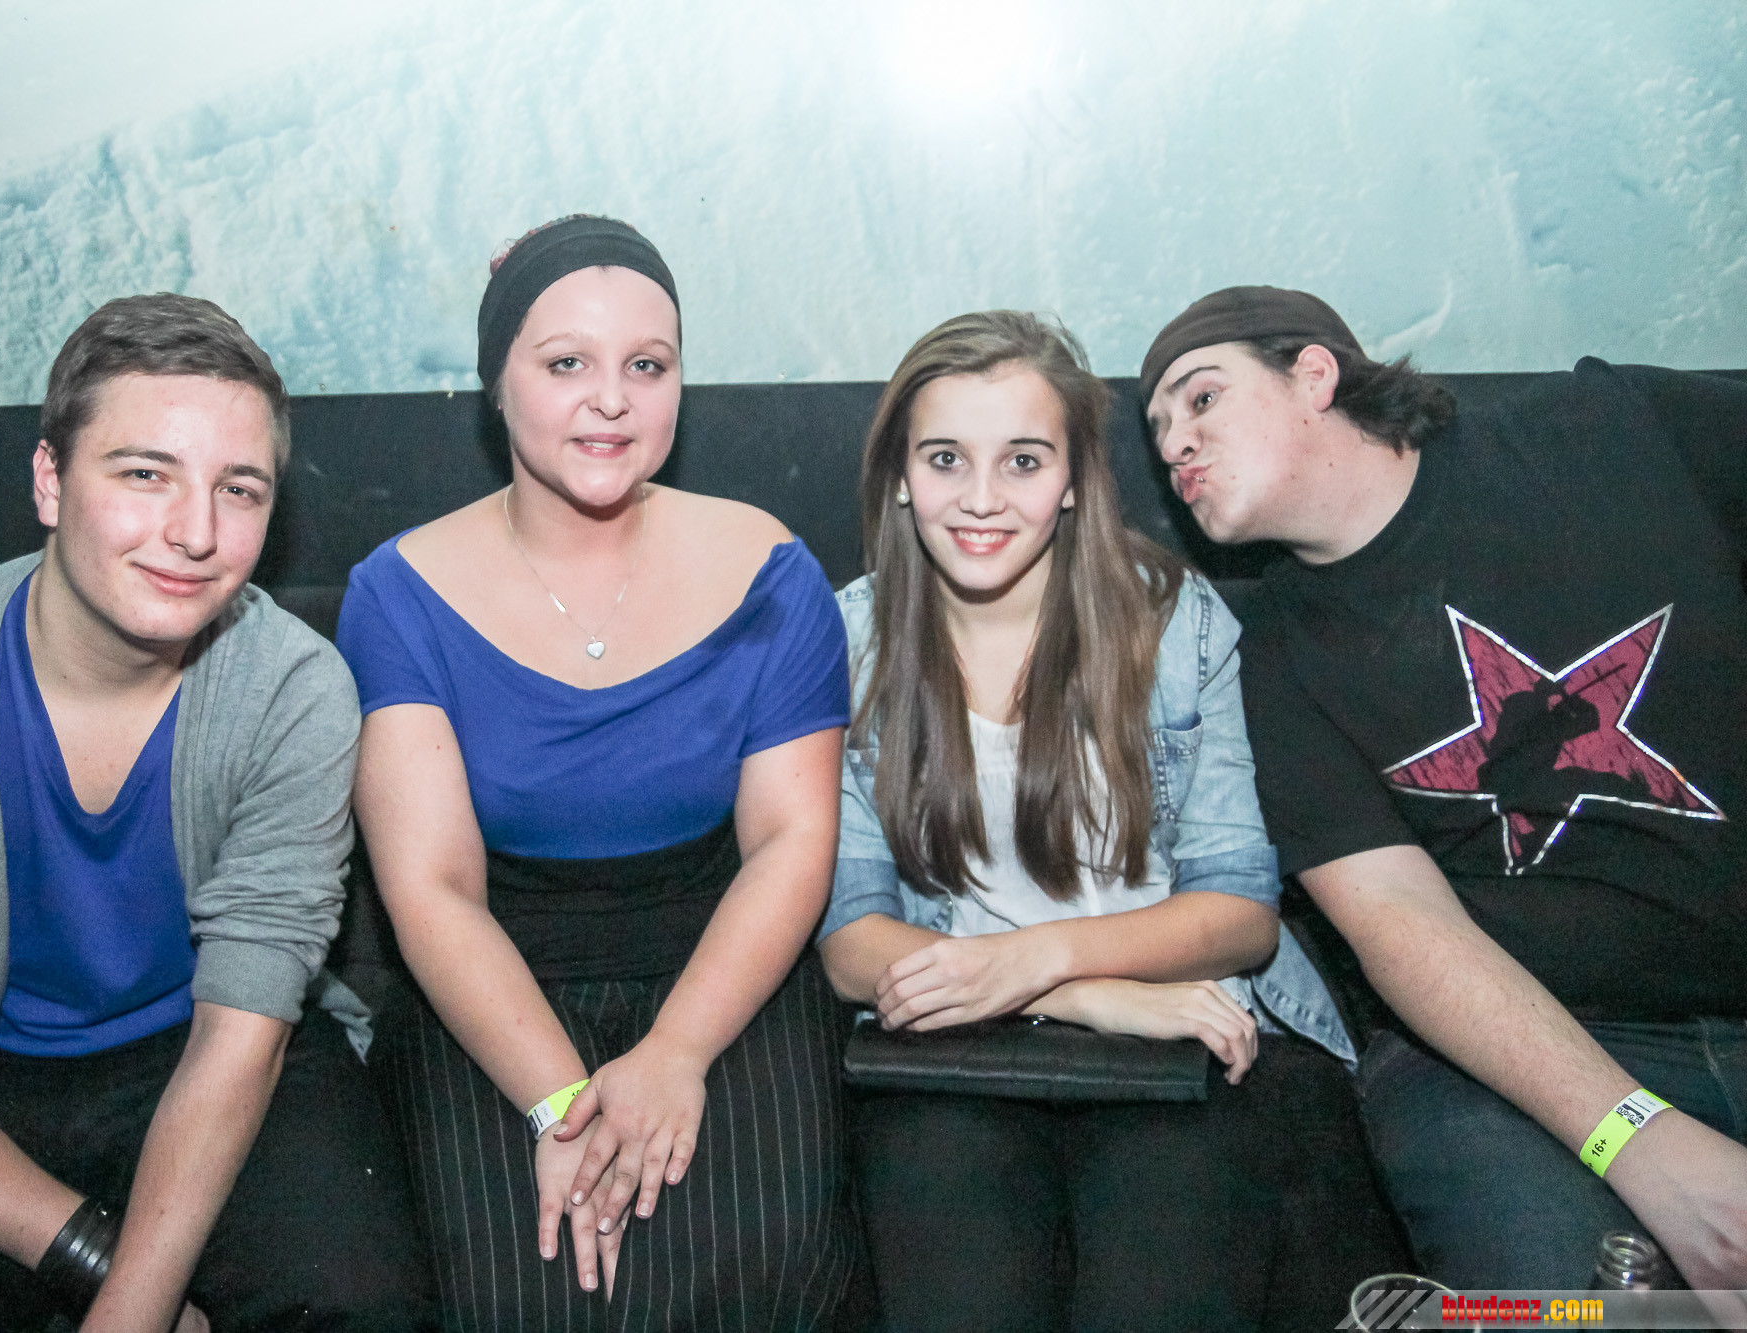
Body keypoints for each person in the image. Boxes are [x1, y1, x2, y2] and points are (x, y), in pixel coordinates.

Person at [0, 294, 433, 1331]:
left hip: (212, 1043)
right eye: (144, 473)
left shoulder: (291, 689)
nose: (194, 533)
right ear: (49, 479)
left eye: (238, 489)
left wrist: (132, 1308)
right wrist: (106, 1266)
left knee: (359, 1303)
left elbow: (242, 1026)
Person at [1141, 285, 1747, 1291]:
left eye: (1200, 398)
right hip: (1522, 1061)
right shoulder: (1269, 659)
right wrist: (1636, 1139)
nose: (1174, 443)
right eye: (1158, 429)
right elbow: (1398, 920)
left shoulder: (1610, 430)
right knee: (1560, 1302)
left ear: (1314, 374)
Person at [819, 310, 1400, 1332]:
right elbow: (852, 945)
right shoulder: (846, 638)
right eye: (945, 458)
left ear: (1075, 480)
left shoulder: (1175, 623)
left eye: (1024, 460)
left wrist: (1037, 960)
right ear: (900, 476)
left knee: (1157, 1294)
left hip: (1182, 1029)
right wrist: (1082, 992)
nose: (983, 497)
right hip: (954, 1047)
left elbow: (1239, 914)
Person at [336, 216, 854, 1330]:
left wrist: (677, 1052)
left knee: (758, 1272)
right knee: (527, 1297)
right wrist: (561, 1106)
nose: (610, 400)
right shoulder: (397, 590)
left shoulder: (771, 570)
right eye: (566, 361)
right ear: (497, 380)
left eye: (647, 366)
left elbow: (791, 842)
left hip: (723, 973)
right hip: (492, 985)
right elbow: (432, 889)